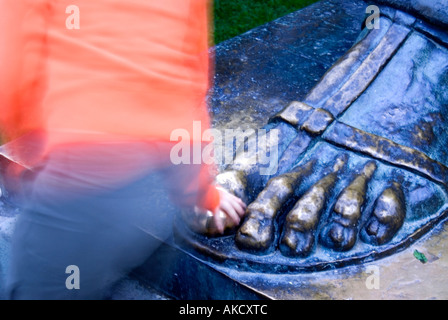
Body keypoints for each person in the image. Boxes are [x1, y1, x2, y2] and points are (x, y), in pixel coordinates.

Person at [0, 0, 245, 299]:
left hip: (73, 185)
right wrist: (202, 193)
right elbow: (187, 87)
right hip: (147, 195)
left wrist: (30, 152)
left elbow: (11, 70)